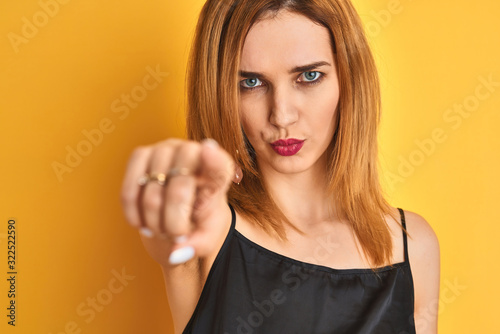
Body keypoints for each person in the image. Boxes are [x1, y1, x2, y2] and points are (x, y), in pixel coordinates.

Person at [120, 0, 440, 333]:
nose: (282, 115)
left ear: (349, 80)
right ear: (221, 94)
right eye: (251, 83)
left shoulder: (413, 246)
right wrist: (165, 179)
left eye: (309, 76)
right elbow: (169, 225)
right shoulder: (207, 230)